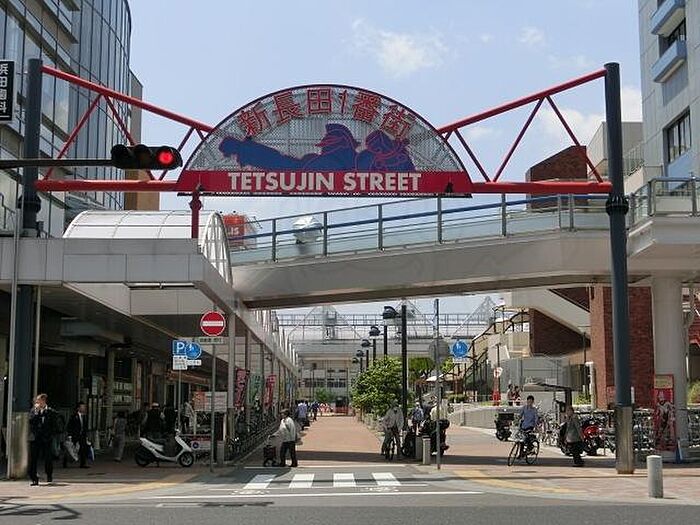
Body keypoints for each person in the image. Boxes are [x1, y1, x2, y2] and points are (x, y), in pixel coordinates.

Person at [28, 393, 58, 486]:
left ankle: (49, 474)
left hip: (46, 438)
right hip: (35, 438)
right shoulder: (33, 411)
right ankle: (34, 478)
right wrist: (37, 412)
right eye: (36, 401)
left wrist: (51, 434)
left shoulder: (51, 411)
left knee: (48, 458)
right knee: (33, 458)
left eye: (39, 401)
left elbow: (54, 425)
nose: (37, 403)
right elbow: (31, 421)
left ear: (43, 401)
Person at [66, 402, 90, 468]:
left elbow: (85, 426)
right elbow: (69, 426)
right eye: (82, 407)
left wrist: (86, 436)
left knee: (83, 448)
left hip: (82, 435)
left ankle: (83, 464)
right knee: (71, 448)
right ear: (78, 408)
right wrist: (70, 435)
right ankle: (66, 460)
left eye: (84, 407)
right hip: (75, 435)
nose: (83, 408)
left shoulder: (84, 416)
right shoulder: (74, 416)